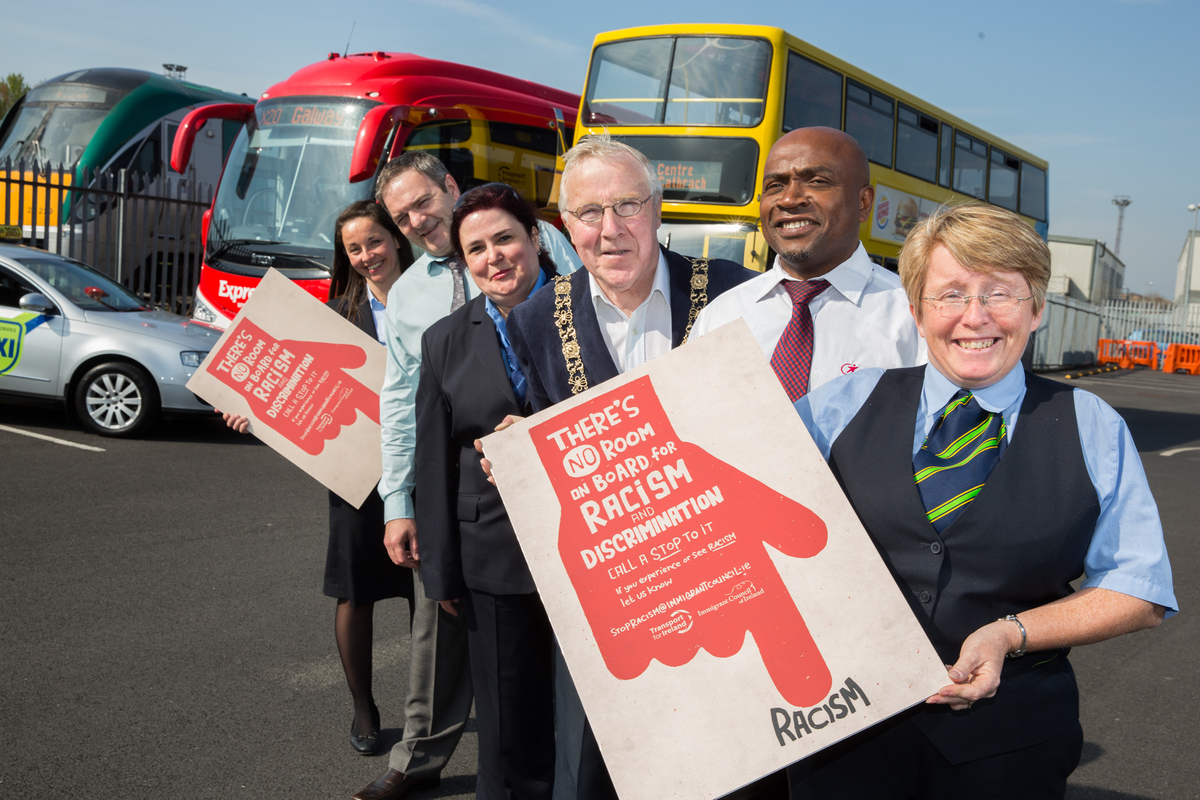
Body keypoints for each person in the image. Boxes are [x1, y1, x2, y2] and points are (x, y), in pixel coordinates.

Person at [790, 202, 1176, 799]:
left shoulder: (1091, 424)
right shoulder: (840, 405)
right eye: (950, 295)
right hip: (841, 737)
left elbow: (1139, 590)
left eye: (1001, 293)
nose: (976, 317)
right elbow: (736, 511)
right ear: (916, 312)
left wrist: (1009, 633)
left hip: (1010, 751)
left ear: (1037, 309)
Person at [505, 134, 757, 800]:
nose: (609, 229)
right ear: (564, 226)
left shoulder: (737, 295)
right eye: (589, 212)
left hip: (730, 573)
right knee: (594, 765)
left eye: (627, 205)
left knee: (727, 760)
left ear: (658, 207)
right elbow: (546, 425)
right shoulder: (535, 317)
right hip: (613, 591)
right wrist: (523, 444)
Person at [355, 152, 579, 800]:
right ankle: (421, 756)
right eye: (402, 217)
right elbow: (411, 413)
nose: (417, 220)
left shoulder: (565, 283)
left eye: (423, 202)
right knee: (497, 707)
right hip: (484, 532)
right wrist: (404, 509)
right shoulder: (421, 308)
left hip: (586, 526)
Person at [220, 199, 416, 756]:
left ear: (396, 239)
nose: (365, 256)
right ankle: (364, 707)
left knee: (430, 594)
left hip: (428, 467)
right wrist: (251, 412)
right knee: (356, 592)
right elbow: (290, 389)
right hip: (356, 475)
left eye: (374, 242)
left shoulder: (436, 299)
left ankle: (431, 710)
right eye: (354, 248)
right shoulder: (333, 314)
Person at [417, 183, 559, 800]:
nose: (494, 257)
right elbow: (433, 461)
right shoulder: (444, 340)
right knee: (505, 721)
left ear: (534, 238)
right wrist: (442, 576)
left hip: (591, 543)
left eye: (505, 238)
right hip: (491, 557)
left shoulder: (589, 314)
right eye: (475, 248)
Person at [690, 127, 925, 399]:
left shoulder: (915, 317)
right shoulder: (721, 316)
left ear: (863, 203)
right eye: (775, 186)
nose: (789, 199)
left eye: (816, 181)